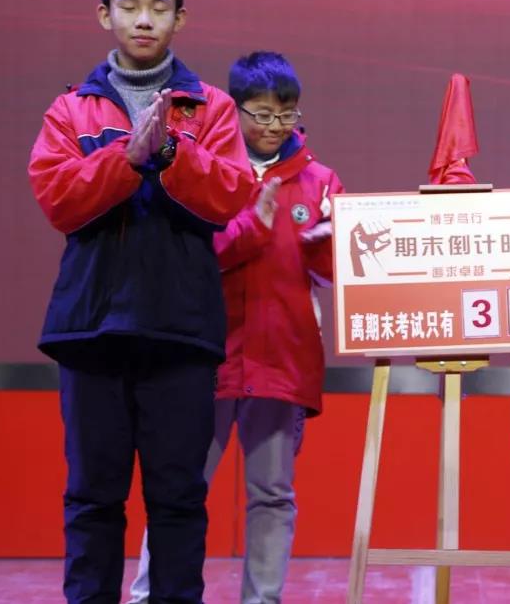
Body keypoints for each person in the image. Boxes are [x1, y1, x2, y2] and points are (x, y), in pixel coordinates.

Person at [27, 0, 253, 604]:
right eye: (130, 6)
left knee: (178, 496)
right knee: (92, 495)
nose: (144, 19)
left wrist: (172, 151)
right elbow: (58, 198)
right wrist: (126, 159)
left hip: (180, 329)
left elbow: (231, 194)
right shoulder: (70, 110)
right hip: (91, 328)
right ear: (106, 14)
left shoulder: (210, 108)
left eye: (159, 7)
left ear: (180, 18)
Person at [128, 51, 344, 604]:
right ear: (235, 108)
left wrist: (324, 249)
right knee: (180, 488)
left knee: (272, 494)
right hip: (205, 355)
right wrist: (253, 227)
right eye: (262, 114)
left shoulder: (321, 181)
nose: (276, 126)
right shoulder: (208, 170)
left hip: (282, 360)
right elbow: (197, 255)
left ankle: (262, 598)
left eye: (287, 114)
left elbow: (334, 274)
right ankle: (151, 594)